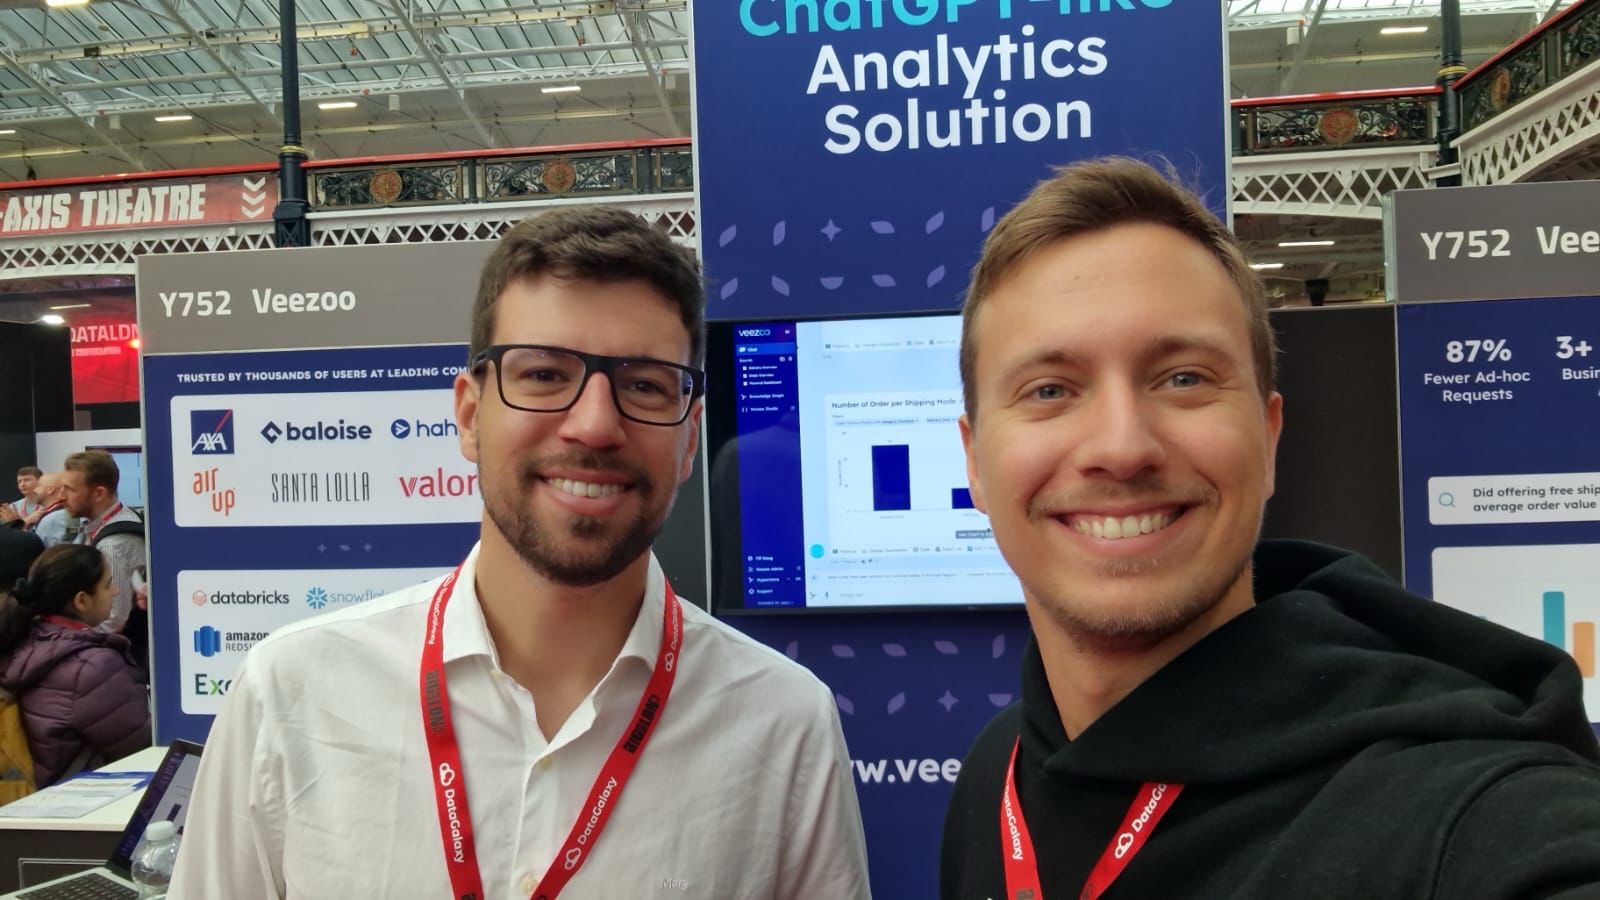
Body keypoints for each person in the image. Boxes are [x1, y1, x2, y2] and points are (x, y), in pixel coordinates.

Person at [940, 157, 1600, 900]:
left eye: (1183, 378)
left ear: (1268, 436)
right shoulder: (999, 772)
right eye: (1049, 390)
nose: (1121, 447)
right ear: (974, 463)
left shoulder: (1471, 818)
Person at [172, 206, 871, 899]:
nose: (594, 425)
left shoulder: (782, 723)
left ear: (690, 439)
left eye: (644, 385)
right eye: (543, 374)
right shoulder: (290, 692)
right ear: (470, 416)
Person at [0, 543, 152, 788]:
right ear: (82, 600)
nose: (115, 592)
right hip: (92, 798)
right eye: (107, 585)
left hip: (42, 795)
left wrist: (139, 617)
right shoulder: (93, 666)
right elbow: (143, 747)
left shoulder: (26, 639)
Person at [61, 451, 144, 635]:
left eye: (70, 489)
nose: (62, 496)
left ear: (99, 493)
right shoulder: (124, 516)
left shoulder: (112, 546)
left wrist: (68, 640)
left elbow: (113, 620)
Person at [24, 472, 72, 548]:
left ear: (50, 489)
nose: (34, 490)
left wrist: (19, 528)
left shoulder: (58, 516)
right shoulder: (59, 513)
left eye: (38, 486)